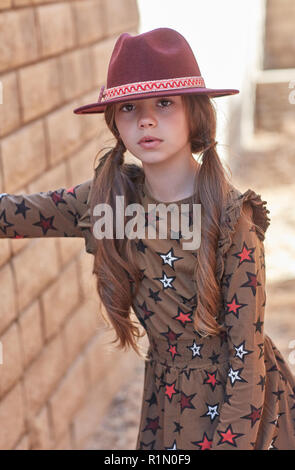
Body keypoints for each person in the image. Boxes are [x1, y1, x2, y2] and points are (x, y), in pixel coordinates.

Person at [1, 27, 295, 451]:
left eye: (164, 103)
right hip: (167, 400)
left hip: (238, 408)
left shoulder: (233, 219)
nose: (146, 120)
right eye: (128, 107)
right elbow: (14, 213)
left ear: (196, 113)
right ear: (114, 122)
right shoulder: (108, 201)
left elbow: (245, 361)